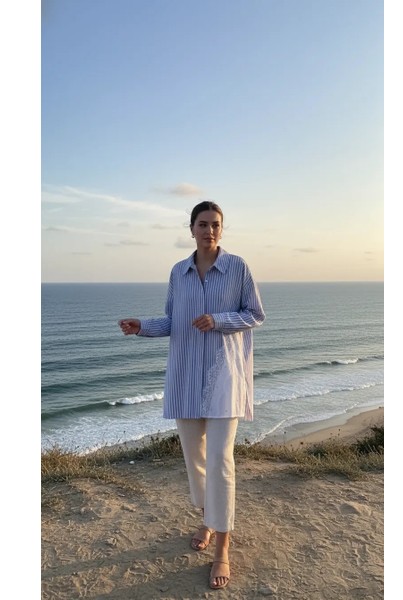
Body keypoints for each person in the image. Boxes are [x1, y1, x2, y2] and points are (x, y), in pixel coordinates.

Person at [118, 200, 265, 590]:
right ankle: (208, 519)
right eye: (202, 224)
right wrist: (141, 326)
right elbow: (173, 320)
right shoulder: (178, 273)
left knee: (220, 462)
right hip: (185, 378)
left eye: (215, 224)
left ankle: (222, 549)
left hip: (223, 378)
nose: (209, 230)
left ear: (221, 229)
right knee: (195, 460)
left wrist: (218, 320)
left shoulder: (238, 268)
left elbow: (255, 314)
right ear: (191, 229)